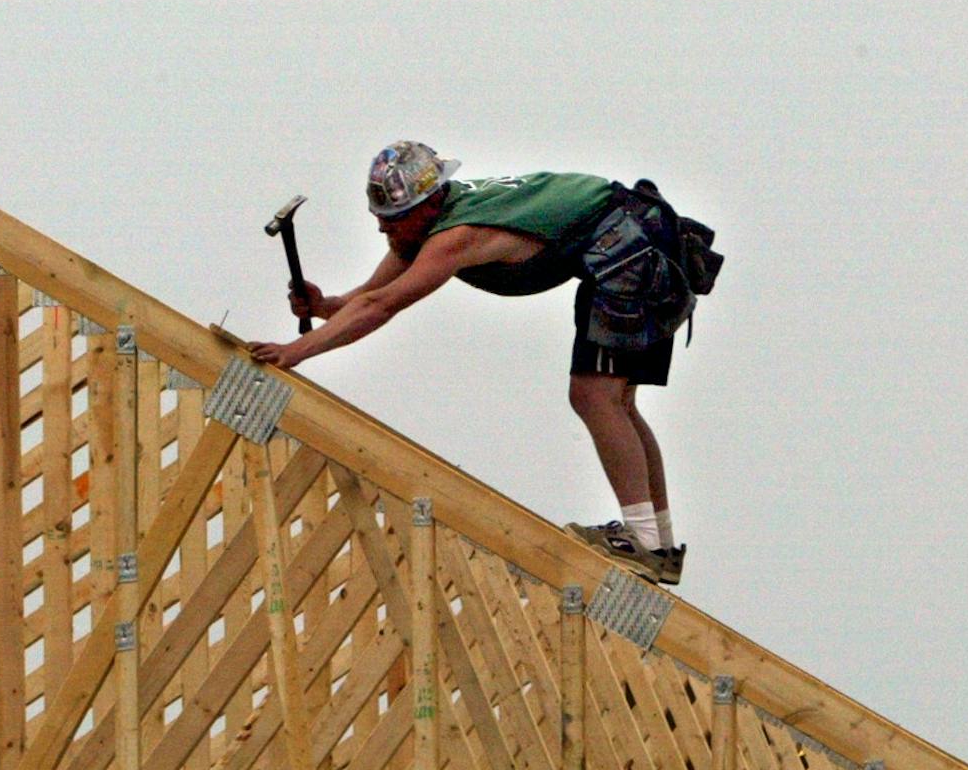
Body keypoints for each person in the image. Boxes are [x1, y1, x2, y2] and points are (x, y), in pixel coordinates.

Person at [247, 141, 694, 584]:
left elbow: (381, 307)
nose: (385, 230)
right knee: (617, 403)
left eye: (393, 221)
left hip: (631, 246)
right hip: (642, 235)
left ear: (429, 203)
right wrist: (327, 305)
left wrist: (293, 353)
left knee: (595, 396)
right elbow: (368, 298)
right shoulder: (430, 223)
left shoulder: (457, 236)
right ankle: (658, 544)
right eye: (380, 220)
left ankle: (644, 541)